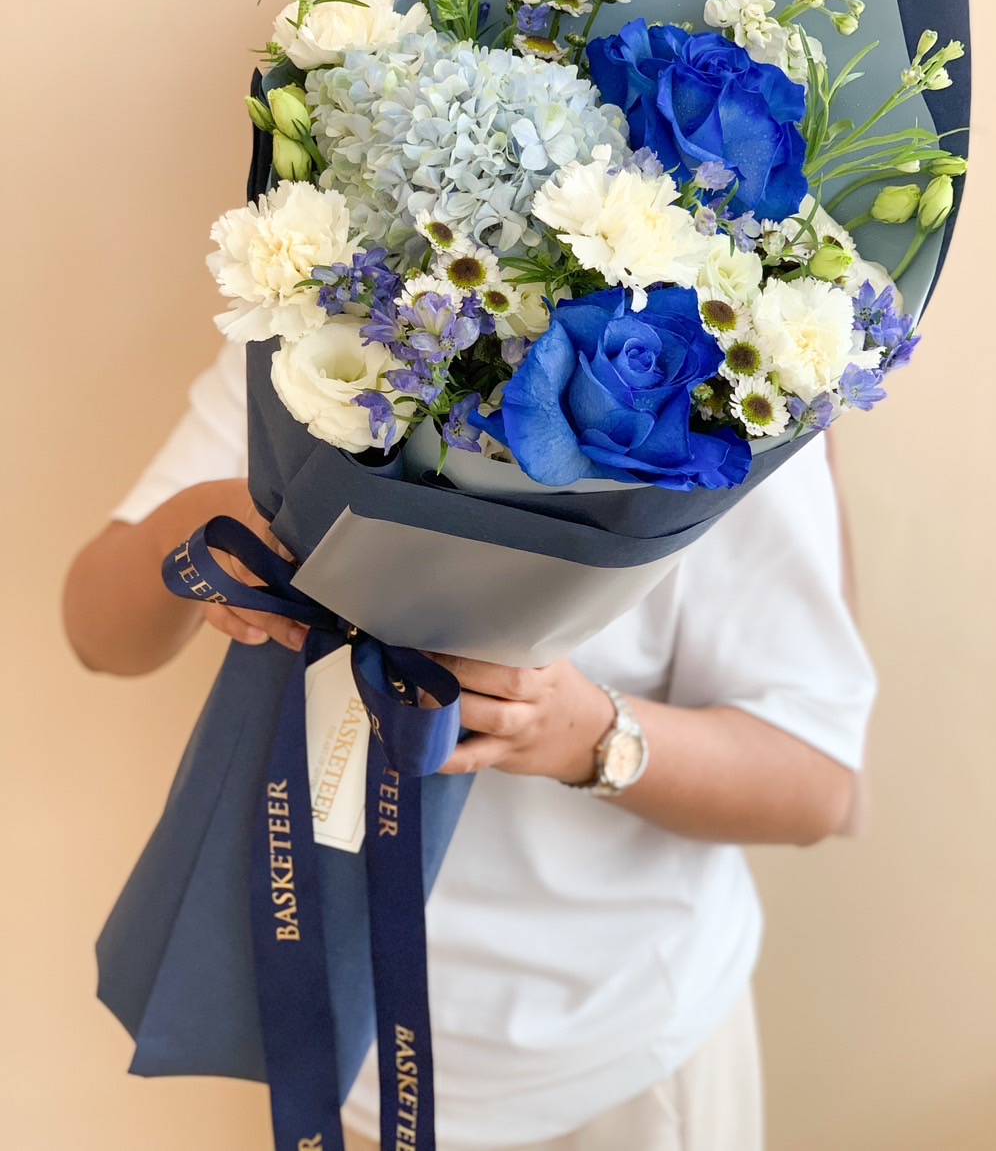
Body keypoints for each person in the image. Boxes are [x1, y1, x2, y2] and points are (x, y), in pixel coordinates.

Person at [64, 337, 876, 1151]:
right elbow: (98, 633)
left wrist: (584, 735)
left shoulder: (732, 397)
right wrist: (199, 528)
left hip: (614, 1057)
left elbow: (817, 782)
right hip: (335, 1032)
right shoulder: (320, 336)